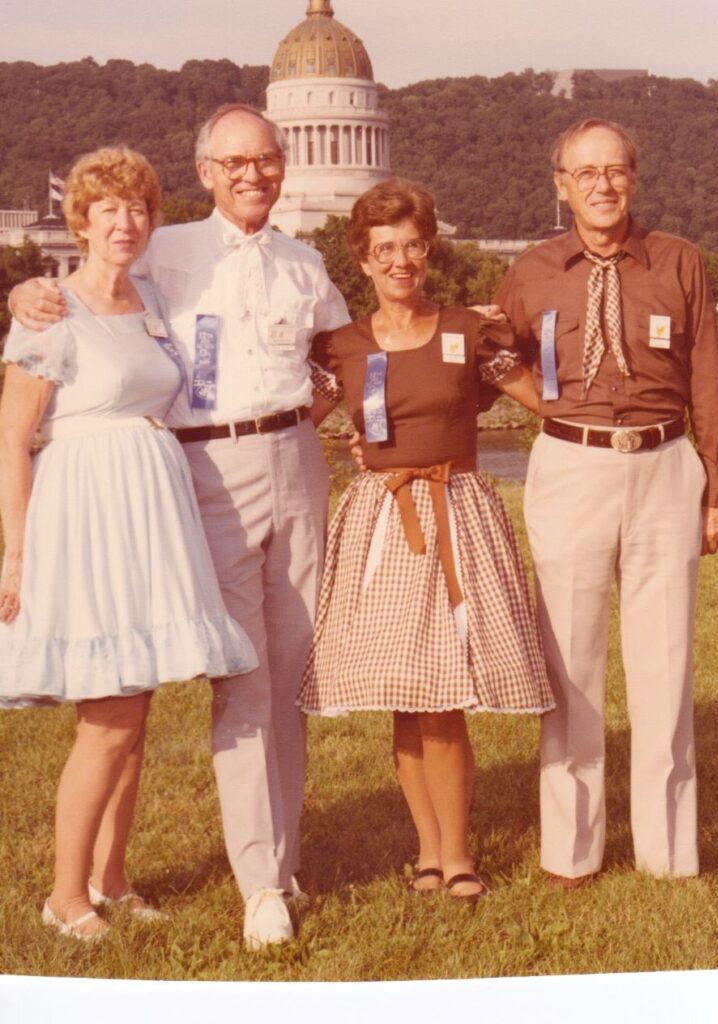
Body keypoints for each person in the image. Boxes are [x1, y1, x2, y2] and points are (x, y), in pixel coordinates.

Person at [9, 104, 350, 948]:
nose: (250, 174)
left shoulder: (301, 261)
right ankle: (249, 884)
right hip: (175, 480)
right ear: (204, 173)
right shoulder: (162, 253)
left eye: (265, 159)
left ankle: (248, 862)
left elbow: (353, 355)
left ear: (285, 164)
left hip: (264, 467)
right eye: (232, 161)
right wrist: (26, 289)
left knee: (276, 672)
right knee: (219, 680)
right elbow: (27, 391)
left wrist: (349, 395)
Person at [0, 147, 257, 939]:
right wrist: (13, 555)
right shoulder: (50, 313)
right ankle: (64, 896)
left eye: (139, 208)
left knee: (135, 708)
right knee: (107, 717)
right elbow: (12, 440)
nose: (126, 222)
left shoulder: (149, 299)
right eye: (107, 209)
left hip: (151, 508)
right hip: (86, 518)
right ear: (79, 220)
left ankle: (111, 877)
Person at [298, 179, 554, 899]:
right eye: (385, 249)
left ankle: (459, 852)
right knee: (406, 697)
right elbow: (292, 417)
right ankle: (427, 854)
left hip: (454, 511)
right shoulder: (342, 346)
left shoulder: (466, 331)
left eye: (412, 246)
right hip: (381, 521)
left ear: (427, 249)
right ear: (363, 258)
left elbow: (543, 396)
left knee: (443, 695)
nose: (400, 261)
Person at [493, 118, 718, 887]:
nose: (601, 184)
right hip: (571, 465)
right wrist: (547, 411)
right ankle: (572, 849)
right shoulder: (531, 270)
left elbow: (707, 380)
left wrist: (717, 494)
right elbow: (496, 358)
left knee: (662, 660)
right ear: (559, 184)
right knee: (569, 662)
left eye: (614, 170)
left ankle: (667, 851)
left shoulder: (677, 261)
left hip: (663, 463)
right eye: (583, 172)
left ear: (634, 176)